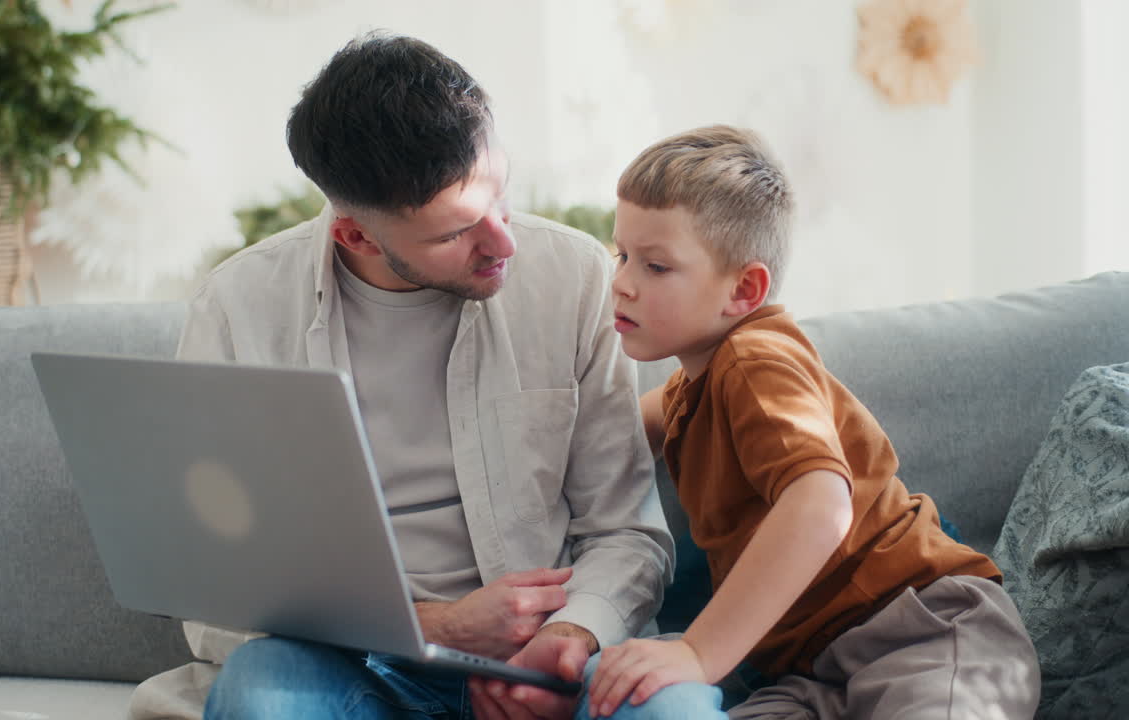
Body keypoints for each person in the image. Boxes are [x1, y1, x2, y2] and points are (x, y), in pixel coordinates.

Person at [128, 33, 681, 720]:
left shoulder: (575, 277)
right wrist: (435, 627)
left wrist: (569, 638)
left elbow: (626, 530)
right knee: (259, 700)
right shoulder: (240, 307)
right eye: (454, 234)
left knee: (673, 713)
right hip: (344, 663)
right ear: (355, 235)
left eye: (500, 196)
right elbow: (213, 588)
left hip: (551, 652)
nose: (505, 243)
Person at [582, 125, 1042, 718]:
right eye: (621, 255)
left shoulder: (756, 361)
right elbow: (603, 433)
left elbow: (821, 505)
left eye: (656, 266)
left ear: (744, 289)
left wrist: (698, 652)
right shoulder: (686, 394)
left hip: (926, 631)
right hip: (809, 670)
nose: (621, 282)